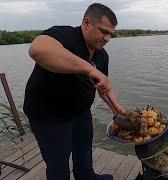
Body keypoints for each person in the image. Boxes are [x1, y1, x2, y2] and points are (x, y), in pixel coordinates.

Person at [23, 3, 124, 180]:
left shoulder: (102, 55)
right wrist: (89, 69)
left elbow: (103, 85)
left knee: (84, 157)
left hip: (80, 114)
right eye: (103, 31)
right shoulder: (66, 35)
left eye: (110, 34)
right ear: (86, 23)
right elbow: (37, 49)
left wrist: (116, 107)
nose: (107, 38)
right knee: (58, 166)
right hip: (48, 117)